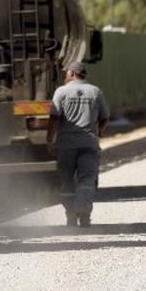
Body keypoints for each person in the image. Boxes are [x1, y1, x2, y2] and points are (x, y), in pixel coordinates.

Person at [48, 61, 110, 228]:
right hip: (89, 144)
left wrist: (50, 140)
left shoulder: (61, 91)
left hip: (66, 145)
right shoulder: (96, 91)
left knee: (66, 181)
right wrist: (98, 134)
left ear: (72, 73)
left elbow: (54, 118)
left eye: (66, 73)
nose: (65, 76)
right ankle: (84, 215)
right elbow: (104, 118)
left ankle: (70, 216)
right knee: (87, 180)